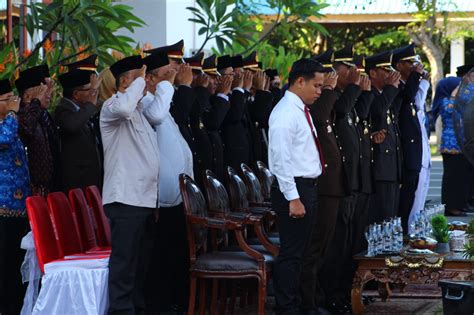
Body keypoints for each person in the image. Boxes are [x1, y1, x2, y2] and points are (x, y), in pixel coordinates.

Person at [100, 55, 158, 314]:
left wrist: (149, 84)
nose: (144, 82)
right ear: (124, 81)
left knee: (140, 266)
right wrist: (136, 83)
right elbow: (123, 107)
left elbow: (160, 112)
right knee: (123, 267)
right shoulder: (112, 107)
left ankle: (137, 309)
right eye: (139, 77)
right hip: (124, 200)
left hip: (143, 199)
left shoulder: (140, 111)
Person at [269, 58, 324, 315]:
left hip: (306, 187)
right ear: (300, 81)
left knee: (303, 252)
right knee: (292, 254)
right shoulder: (284, 113)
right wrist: (293, 197)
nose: (319, 91)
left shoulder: (300, 108)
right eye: (317, 85)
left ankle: (303, 306)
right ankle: (287, 308)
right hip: (294, 189)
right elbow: (280, 161)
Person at [141, 50, 193, 313]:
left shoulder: (160, 99)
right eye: (165, 76)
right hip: (160, 196)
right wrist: (168, 86)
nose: (169, 82)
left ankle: (173, 302)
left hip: (176, 195)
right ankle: (160, 306)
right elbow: (157, 117)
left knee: (175, 254)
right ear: (149, 79)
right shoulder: (147, 103)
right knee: (161, 257)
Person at [299, 51, 346, 314]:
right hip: (322, 187)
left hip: (332, 188)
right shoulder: (313, 107)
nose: (322, 89)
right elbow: (319, 118)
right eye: (317, 84)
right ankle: (309, 304)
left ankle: (316, 299)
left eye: (323, 84)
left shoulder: (323, 106)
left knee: (323, 249)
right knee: (314, 250)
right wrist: (327, 90)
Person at [0, 79, 30, 315]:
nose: (13, 103)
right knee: (3, 264)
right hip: (2, 209)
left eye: (13, 98)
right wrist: (11, 113)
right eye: (7, 99)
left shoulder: (9, 122)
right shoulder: (6, 125)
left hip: (19, 208)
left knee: (15, 265)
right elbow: (5, 139)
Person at [55, 55, 103, 192]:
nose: (95, 94)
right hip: (76, 184)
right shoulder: (63, 110)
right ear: (76, 94)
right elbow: (73, 125)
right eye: (90, 90)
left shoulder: (82, 109)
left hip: (88, 182)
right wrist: (90, 104)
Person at [392, 44, 425, 232]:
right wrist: (415, 77)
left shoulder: (408, 85)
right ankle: (401, 231)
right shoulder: (399, 87)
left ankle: (405, 230)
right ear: (398, 66)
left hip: (412, 151)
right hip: (404, 149)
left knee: (411, 193)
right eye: (409, 62)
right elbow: (406, 98)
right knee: (403, 198)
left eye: (415, 62)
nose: (414, 66)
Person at [366, 51, 402, 223]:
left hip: (391, 166)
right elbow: (377, 111)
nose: (391, 75)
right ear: (372, 73)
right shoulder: (370, 94)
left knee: (391, 216)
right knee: (382, 218)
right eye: (386, 71)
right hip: (379, 167)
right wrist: (390, 88)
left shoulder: (384, 94)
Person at [15, 65, 60, 196]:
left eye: (49, 91)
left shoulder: (42, 113)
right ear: (27, 96)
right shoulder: (21, 114)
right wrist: (36, 102)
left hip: (51, 186)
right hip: (32, 189)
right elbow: (27, 129)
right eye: (43, 91)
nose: (49, 95)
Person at [438, 76, 472, 216]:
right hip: (451, 146)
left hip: (462, 145)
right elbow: (449, 112)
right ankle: (451, 206)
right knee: (452, 178)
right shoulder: (446, 101)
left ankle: (460, 204)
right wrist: (453, 96)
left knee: (461, 177)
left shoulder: (461, 101)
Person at [202, 55, 232, 180]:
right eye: (212, 77)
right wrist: (222, 94)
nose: (216, 81)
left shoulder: (211, 98)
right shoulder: (203, 99)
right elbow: (213, 122)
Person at [409, 68, 431, 232]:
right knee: (414, 204)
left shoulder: (419, 108)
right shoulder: (411, 102)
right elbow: (417, 100)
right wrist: (422, 81)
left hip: (424, 159)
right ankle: (412, 235)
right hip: (416, 160)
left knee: (420, 202)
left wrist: (424, 81)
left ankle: (416, 234)